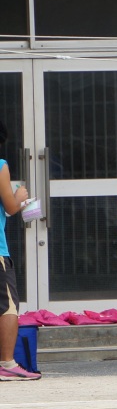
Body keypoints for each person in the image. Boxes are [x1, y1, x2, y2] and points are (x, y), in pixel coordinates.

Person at [0, 122, 35, 382]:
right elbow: (11, 207)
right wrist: (20, 196)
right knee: (8, 306)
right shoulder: (0, 165)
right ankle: (7, 363)